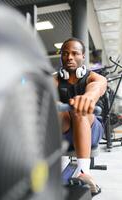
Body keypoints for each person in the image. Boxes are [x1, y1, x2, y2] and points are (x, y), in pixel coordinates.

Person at [54, 37, 107, 195]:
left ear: (83, 56)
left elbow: (98, 86)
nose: (69, 57)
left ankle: (83, 172)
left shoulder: (92, 77)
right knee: (55, 110)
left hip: (90, 130)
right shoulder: (55, 80)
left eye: (74, 53)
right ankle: (53, 166)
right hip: (65, 133)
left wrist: (88, 97)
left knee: (79, 110)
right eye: (65, 53)